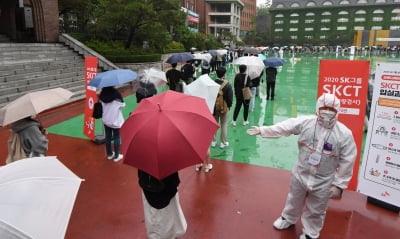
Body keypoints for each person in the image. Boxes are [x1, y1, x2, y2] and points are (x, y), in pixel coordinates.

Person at [246, 93, 357, 239]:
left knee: (317, 208)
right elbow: (285, 127)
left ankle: (311, 232)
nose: (327, 113)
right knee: (294, 198)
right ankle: (288, 218)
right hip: (301, 172)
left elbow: (348, 160)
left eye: (332, 110)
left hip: (323, 179)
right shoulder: (306, 122)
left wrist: (339, 185)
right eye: (324, 109)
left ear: (337, 111)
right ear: (318, 108)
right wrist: (263, 130)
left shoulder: (344, 134)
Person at [138, 169, 187, 238]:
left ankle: (160, 234)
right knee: (170, 214)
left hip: (149, 183)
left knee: (155, 215)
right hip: (163, 184)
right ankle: (170, 233)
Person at [99, 86, 125, 162]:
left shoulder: (102, 95)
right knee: (117, 137)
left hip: (106, 120)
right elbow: (123, 105)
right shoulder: (116, 95)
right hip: (115, 120)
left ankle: (109, 154)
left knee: (108, 137)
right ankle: (117, 156)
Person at [212, 66, 233, 149]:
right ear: (224, 74)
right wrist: (229, 106)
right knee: (224, 124)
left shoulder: (212, 83)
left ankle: (213, 141)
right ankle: (223, 142)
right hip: (224, 107)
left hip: (214, 107)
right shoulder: (227, 84)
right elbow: (229, 98)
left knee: (214, 124)